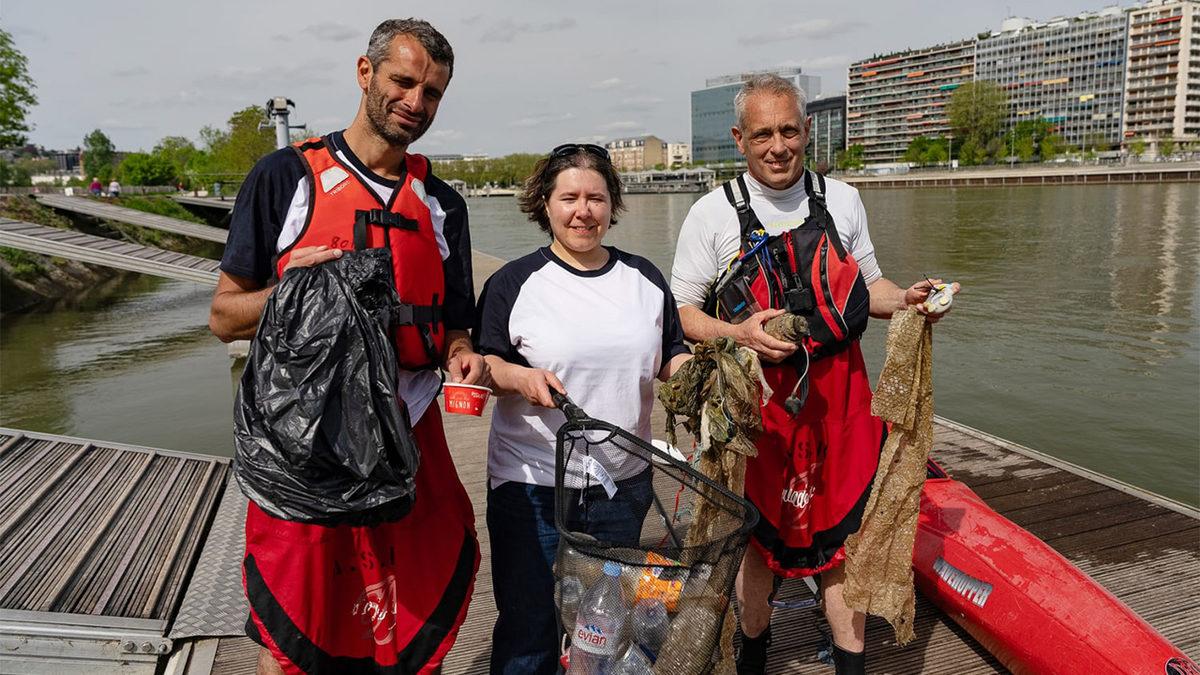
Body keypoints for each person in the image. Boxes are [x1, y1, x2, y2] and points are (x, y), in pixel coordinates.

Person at [208, 19, 484, 675]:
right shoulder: (283, 178)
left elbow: (453, 324)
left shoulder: (443, 204)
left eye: (433, 91)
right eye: (403, 80)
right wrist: (297, 290)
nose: (416, 102)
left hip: (411, 443)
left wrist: (461, 351)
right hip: (308, 452)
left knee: (419, 629)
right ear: (365, 74)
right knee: (295, 631)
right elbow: (222, 316)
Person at [669, 74, 959, 675]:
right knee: (756, 541)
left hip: (842, 402)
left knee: (841, 542)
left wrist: (909, 297)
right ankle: (754, 656)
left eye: (789, 131)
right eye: (763, 134)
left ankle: (851, 667)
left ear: (807, 132)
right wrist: (739, 333)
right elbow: (680, 314)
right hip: (757, 413)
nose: (778, 147)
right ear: (739, 139)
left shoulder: (843, 198)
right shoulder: (711, 213)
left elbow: (868, 288)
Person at [473, 143, 692, 674]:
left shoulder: (643, 278)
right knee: (529, 629)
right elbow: (486, 366)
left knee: (610, 627)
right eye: (568, 197)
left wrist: (703, 378)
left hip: (624, 482)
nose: (583, 211)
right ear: (544, 204)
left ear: (611, 205)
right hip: (531, 484)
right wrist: (520, 376)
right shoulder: (514, 283)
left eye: (596, 198)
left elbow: (672, 356)